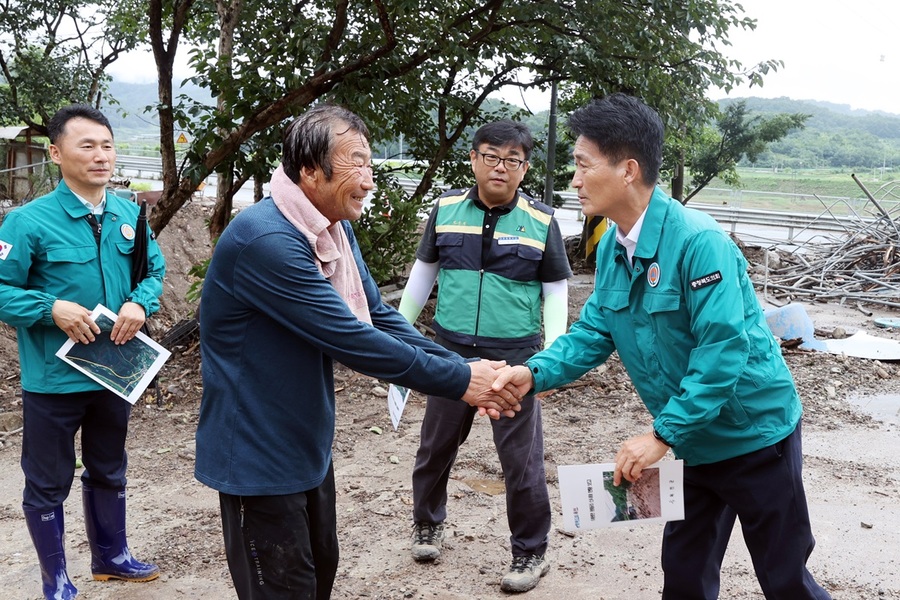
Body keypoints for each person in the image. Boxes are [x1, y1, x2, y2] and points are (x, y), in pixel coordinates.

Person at [492, 93, 832, 600]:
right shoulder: (612, 244)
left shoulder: (699, 243)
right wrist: (535, 373)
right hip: (693, 440)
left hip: (754, 435)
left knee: (785, 578)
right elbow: (595, 329)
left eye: (583, 166)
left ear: (628, 170)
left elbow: (722, 350)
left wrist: (661, 434)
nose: (574, 180)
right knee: (685, 575)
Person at [194, 104, 522, 600]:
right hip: (257, 454)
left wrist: (461, 368)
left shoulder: (330, 226)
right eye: (357, 164)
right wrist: (462, 383)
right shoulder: (267, 240)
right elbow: (351, 338)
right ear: (308, 170)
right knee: (284, 587)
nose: (369, 181)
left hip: (305, 441)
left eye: (371, 165)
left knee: (321, 570)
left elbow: (377, 314)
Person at [398, 119, 571, 593]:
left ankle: (530, 552)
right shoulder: (447, 209)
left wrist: (549, 362)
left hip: (512, 362)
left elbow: (556, 293)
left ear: (525, 168)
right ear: (473, 159)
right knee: (435, 447)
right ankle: (428, 522)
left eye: (512, 160)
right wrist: (399, 343)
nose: (501, 167)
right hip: (450, 358)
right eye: (491, 156)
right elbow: (421, 278)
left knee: (521, 462)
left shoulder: (541, 220)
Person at [0, 104, 165, 599]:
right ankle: (56, 580)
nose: (101, 156)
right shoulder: (27, 223)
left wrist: (140, 303)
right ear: (56, 153)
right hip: (54, 379)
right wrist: (51, 309)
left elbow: (152, 271)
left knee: (109, 467)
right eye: (87, 145)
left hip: (113, 372)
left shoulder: (128, 214)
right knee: (47, 482)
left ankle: (111, 558)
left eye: (107, 145)